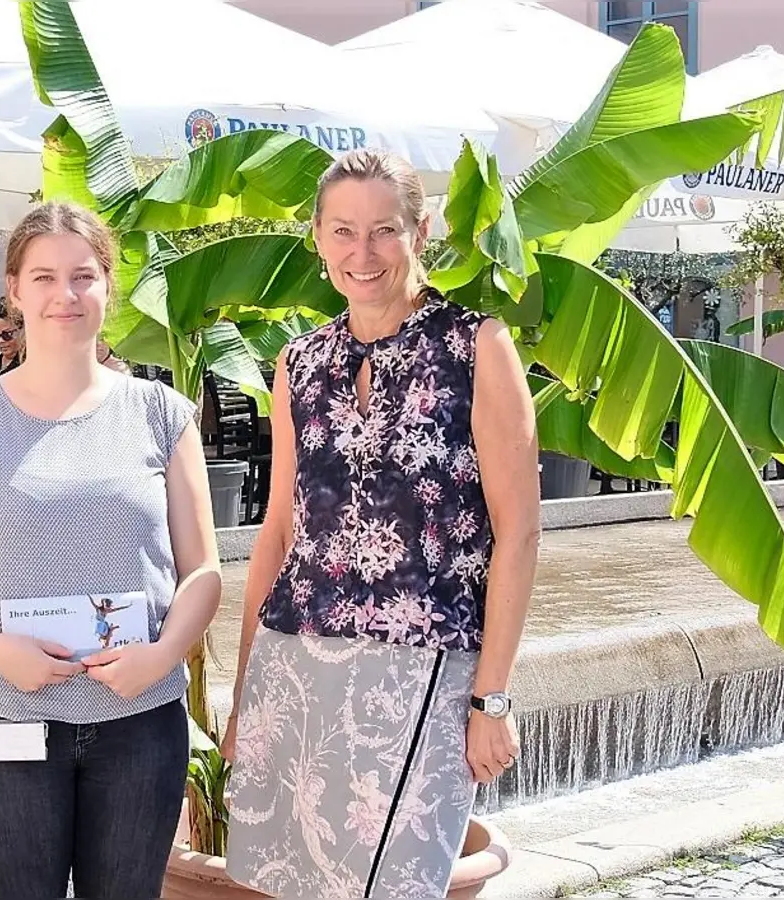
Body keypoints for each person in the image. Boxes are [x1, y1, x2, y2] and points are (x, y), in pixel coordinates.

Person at [220, 148, 541, 899]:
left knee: (402, 886)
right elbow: (276, 534)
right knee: (292, 882)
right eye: (341, 231)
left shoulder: (476, 346)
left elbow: (519, 532)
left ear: (421, 231)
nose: (361, 253)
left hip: (426, 670)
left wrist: (491, 697)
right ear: (318, 238)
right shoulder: (299, 362)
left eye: (383, 230)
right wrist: (244, 698)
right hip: (297, 662)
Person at [0, 201, 222, 899]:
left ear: (109, 284)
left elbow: (202, 570)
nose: (65, 295)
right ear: (14, 290)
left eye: (83, 276)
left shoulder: (161, 415)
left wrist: (160, 657)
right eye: (44, 277)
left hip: (139, 725)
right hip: (4, 721)